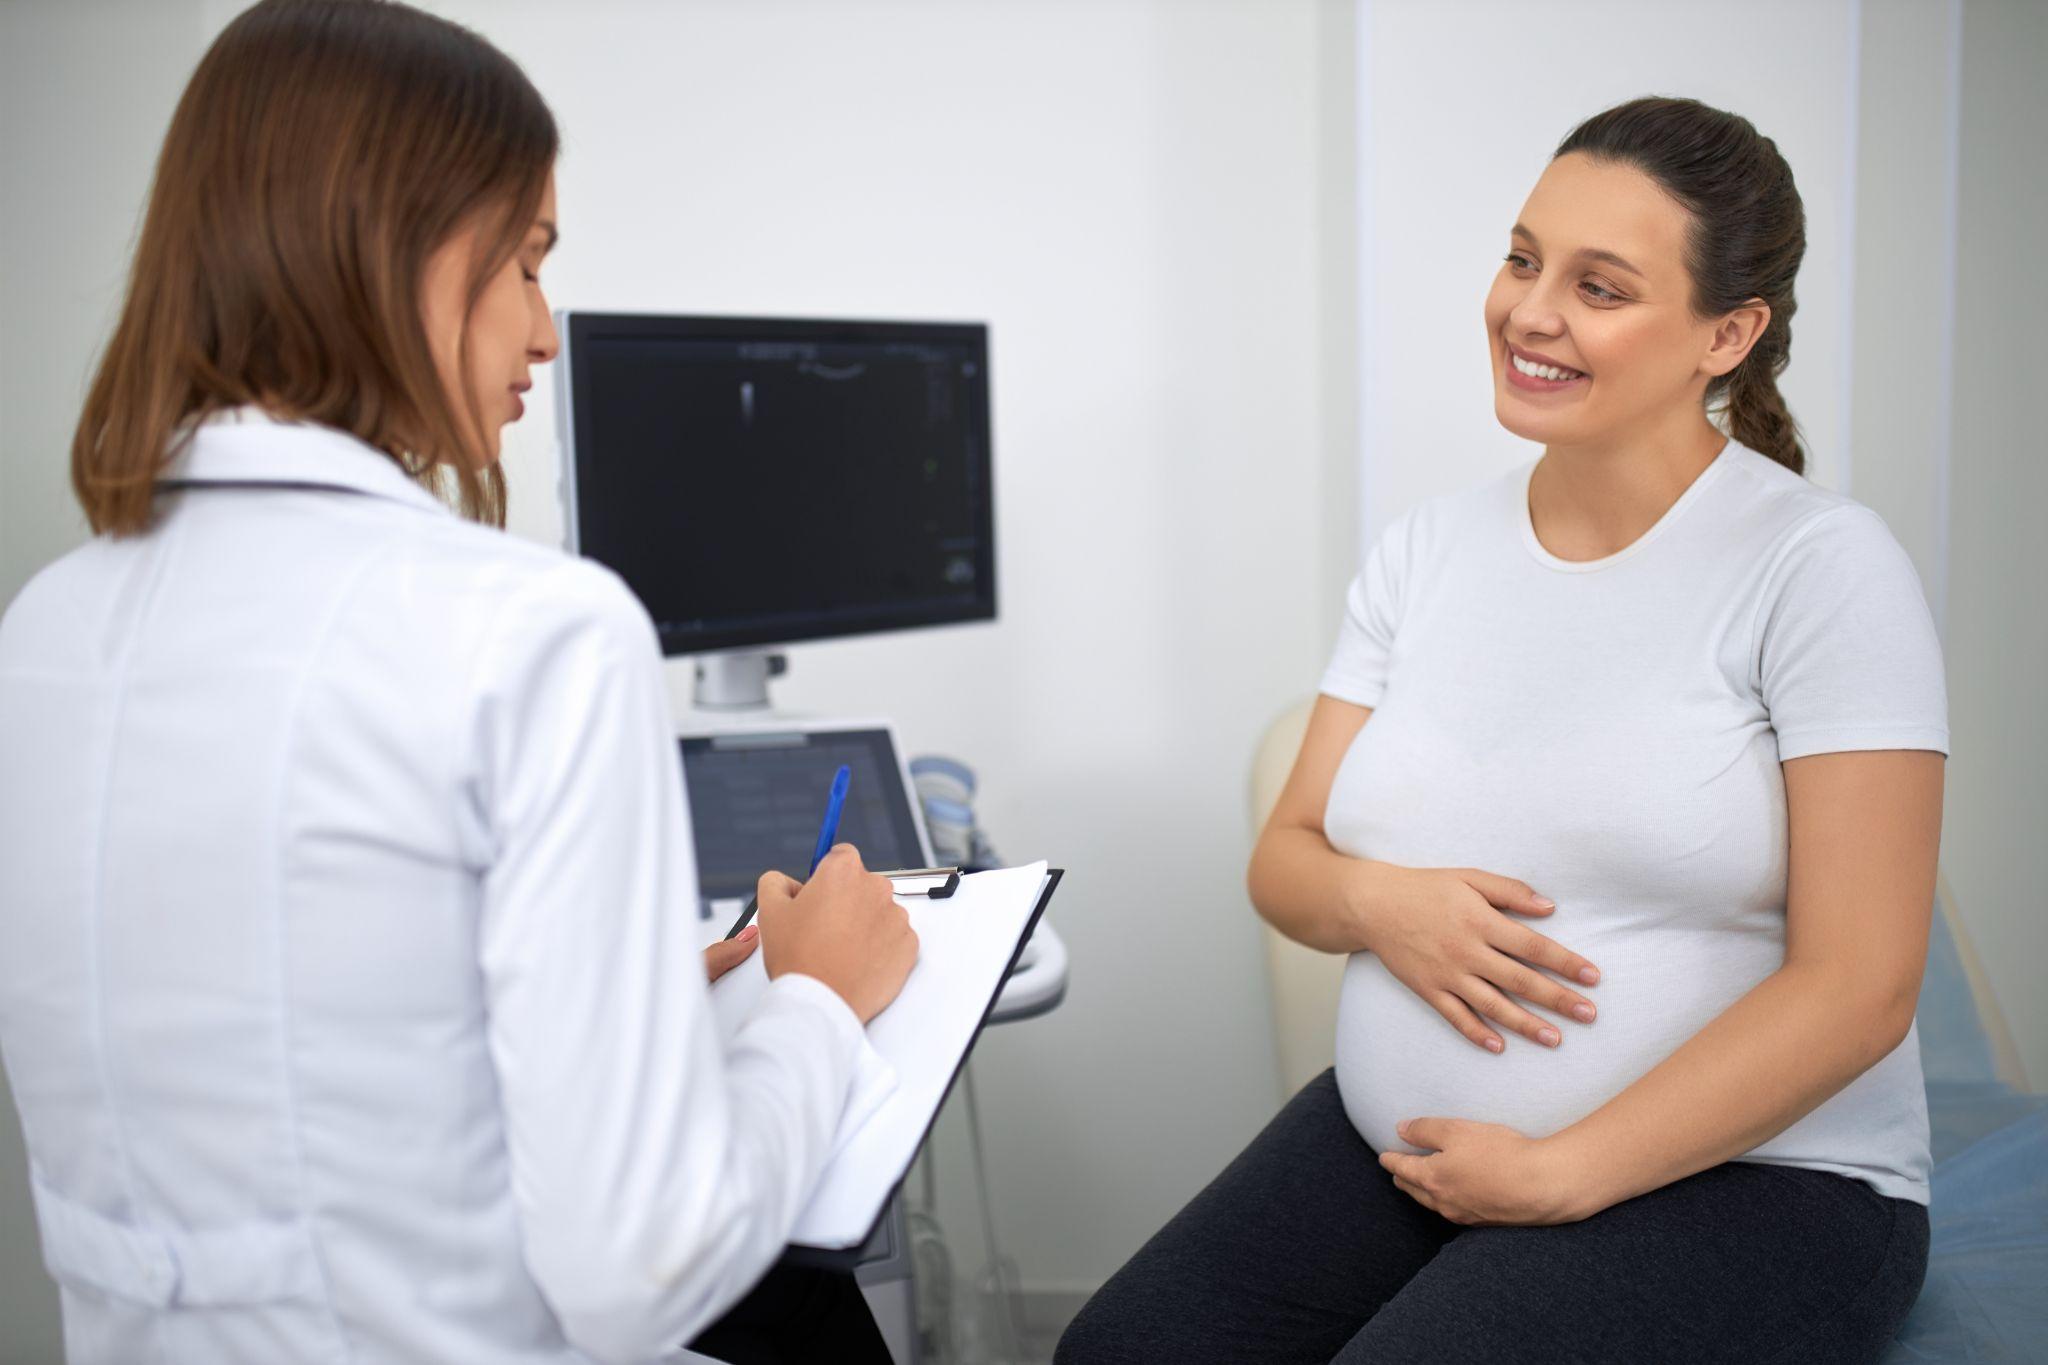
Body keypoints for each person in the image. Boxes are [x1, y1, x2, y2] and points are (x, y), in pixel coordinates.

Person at [0, 2, 916, 1361]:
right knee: (817, 1312)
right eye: (527, 263)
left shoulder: (44, 630)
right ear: (394, 244)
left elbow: (279, 1050)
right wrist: (818, 1004)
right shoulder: (536, 636)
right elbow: (646, 1268)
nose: (545, 333)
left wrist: (604, 1000)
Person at [1059, 96, 1945, 1364]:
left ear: (1726, 334)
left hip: (1763, 1180)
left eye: (1598, 287)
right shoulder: (1423, 552)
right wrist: (1380, 905)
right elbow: (1285, 861)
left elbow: (1859, 990)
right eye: (1522, 259)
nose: (1528, 311)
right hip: (1415, 1152)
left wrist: (1560, 1172)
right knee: (1121, 1352)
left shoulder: (1816, 568)